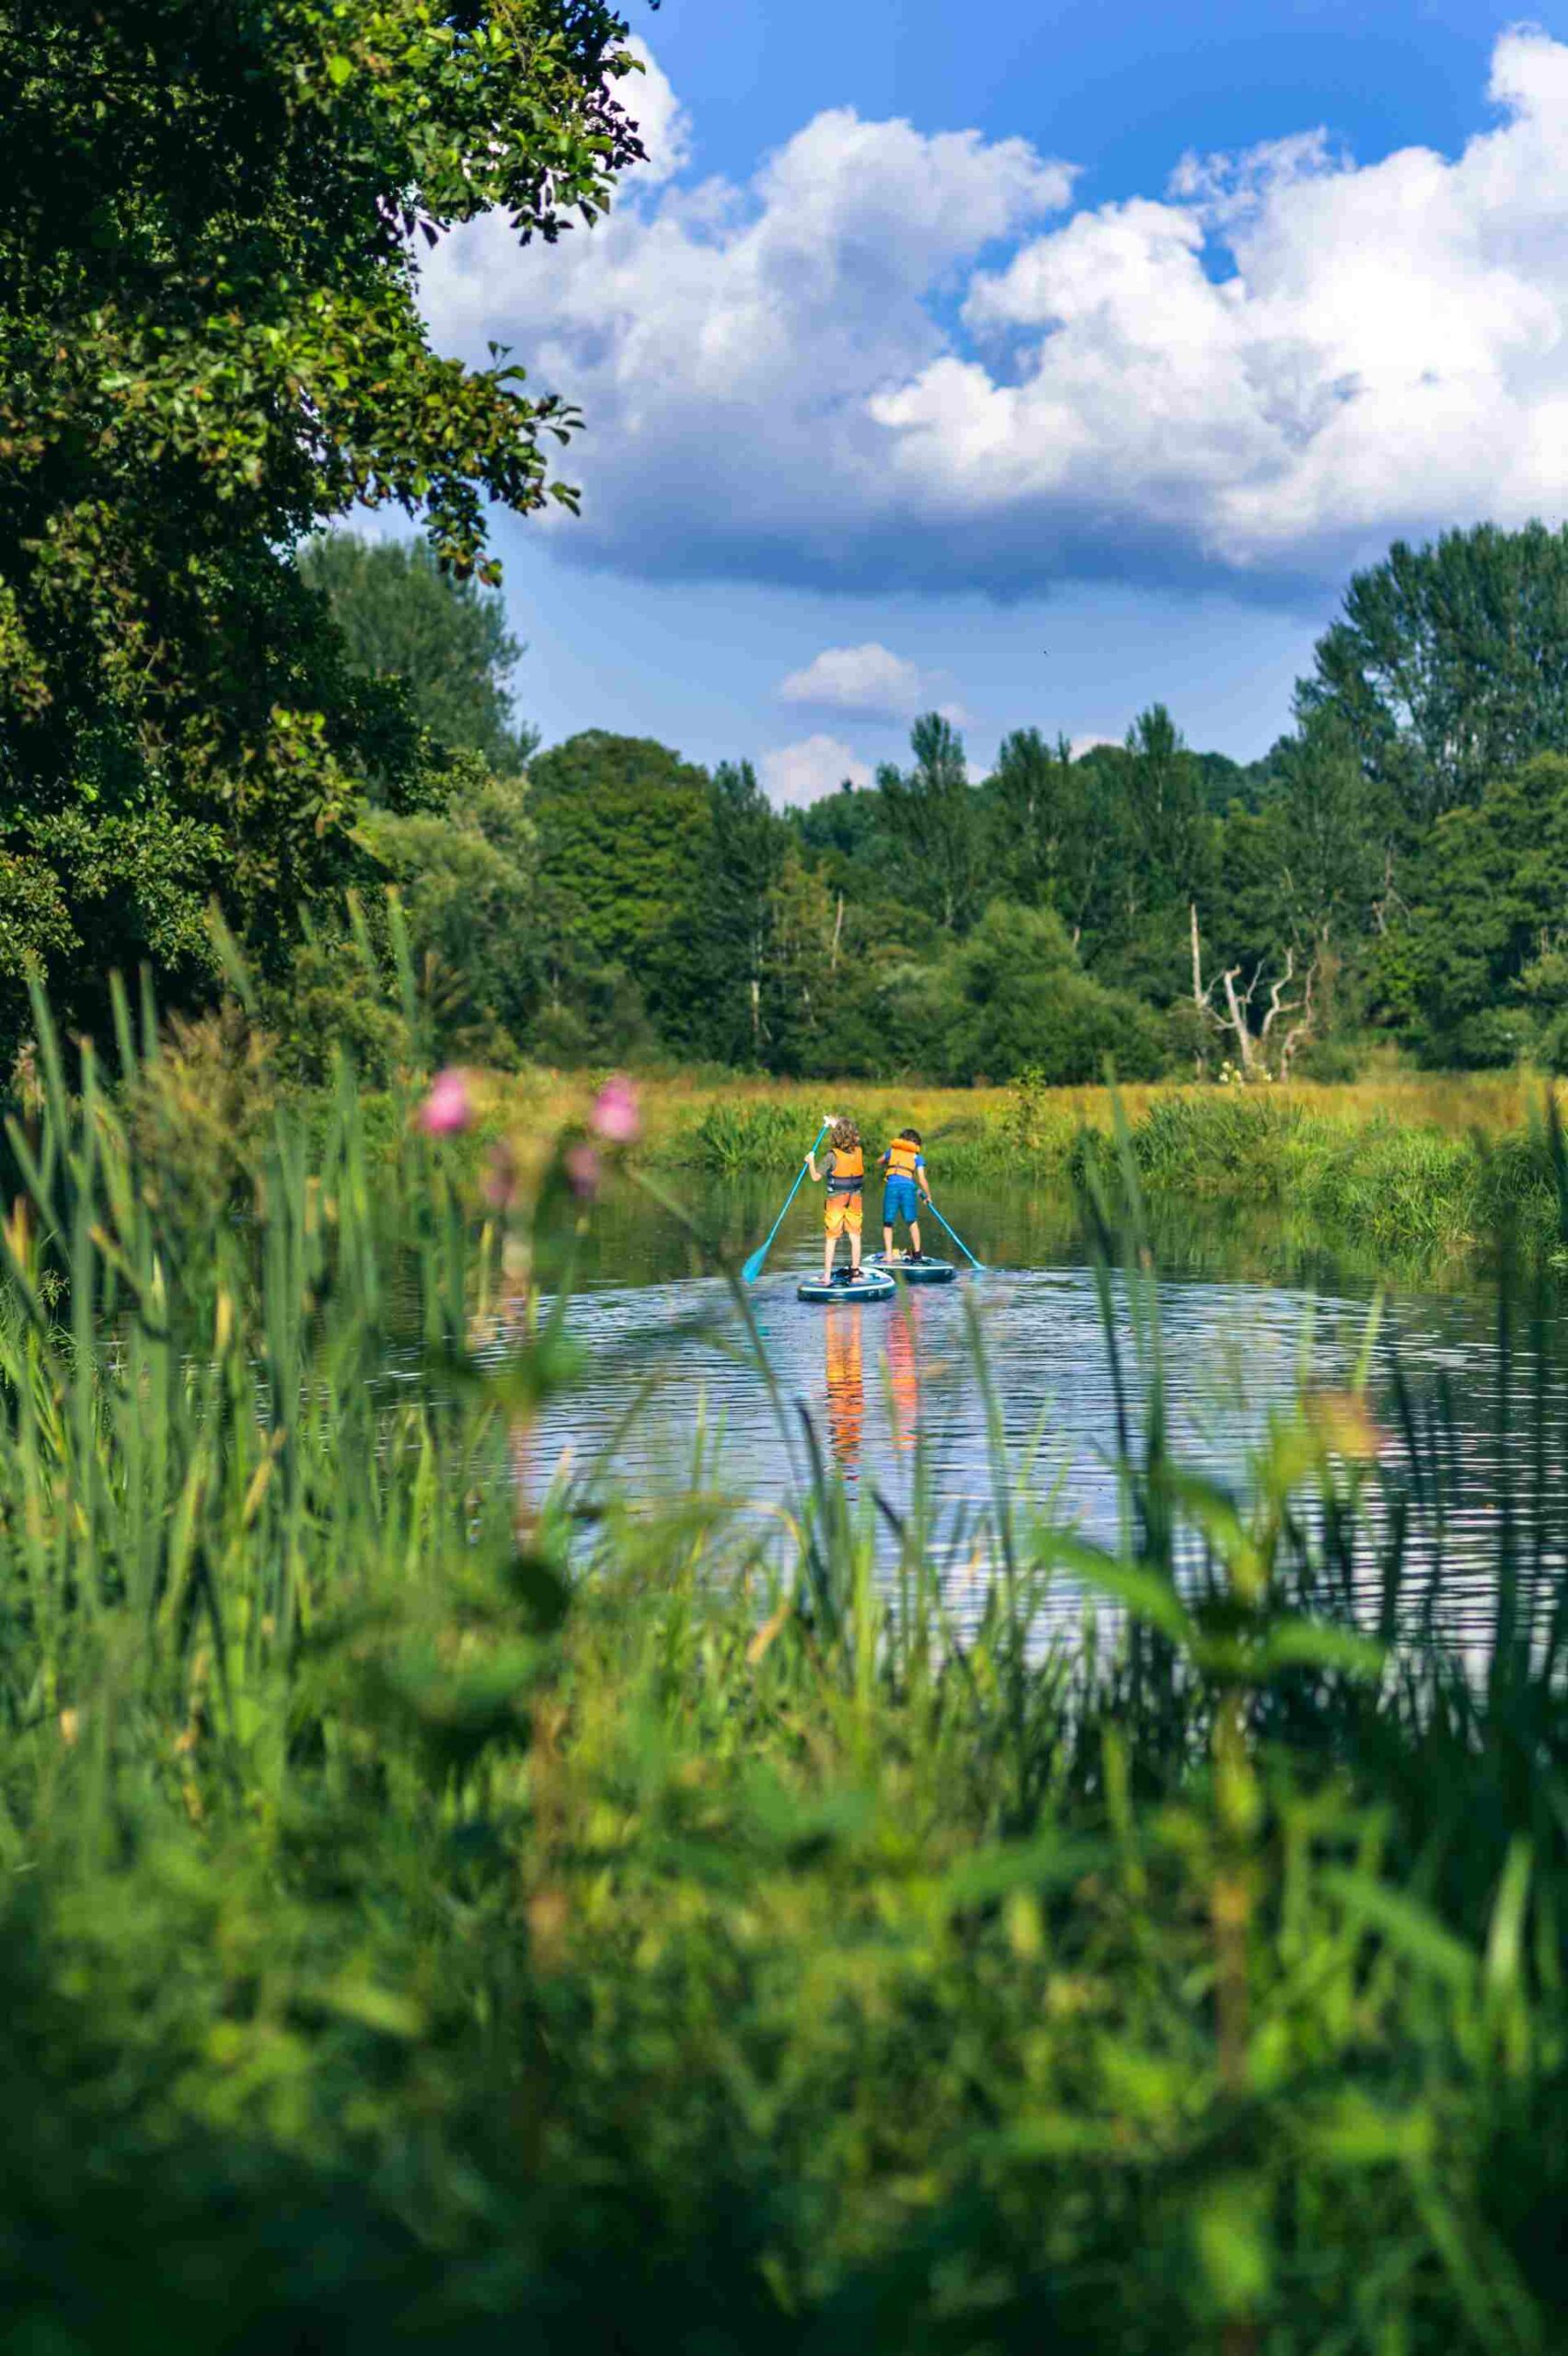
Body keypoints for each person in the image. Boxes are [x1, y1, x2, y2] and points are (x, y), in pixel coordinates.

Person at [807, 1114, 864, 1283]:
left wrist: (810, 1160)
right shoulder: (858, 1150)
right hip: (855, 1198)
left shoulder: (831, 1156)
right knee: (855, 1235)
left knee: (831, 1238)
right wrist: (835, 1123)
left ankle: (826, 1276)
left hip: (836, 1201)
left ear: (835, 1136)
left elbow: (816, 1177)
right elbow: (850, 1133)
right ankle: (855, 1274)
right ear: (853, 1135)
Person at [878, 1127, 932, 1260]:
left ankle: (889, 1255)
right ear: (916, 1144)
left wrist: (888, 1165)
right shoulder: (917, 1157)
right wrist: (928, 1196)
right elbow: (922, 1178)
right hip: (908, 1188)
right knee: (912, 1221)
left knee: (888, 1223)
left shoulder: (892, 1151)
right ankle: (918, 1253)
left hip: (891, 1187)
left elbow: (879, 1161)